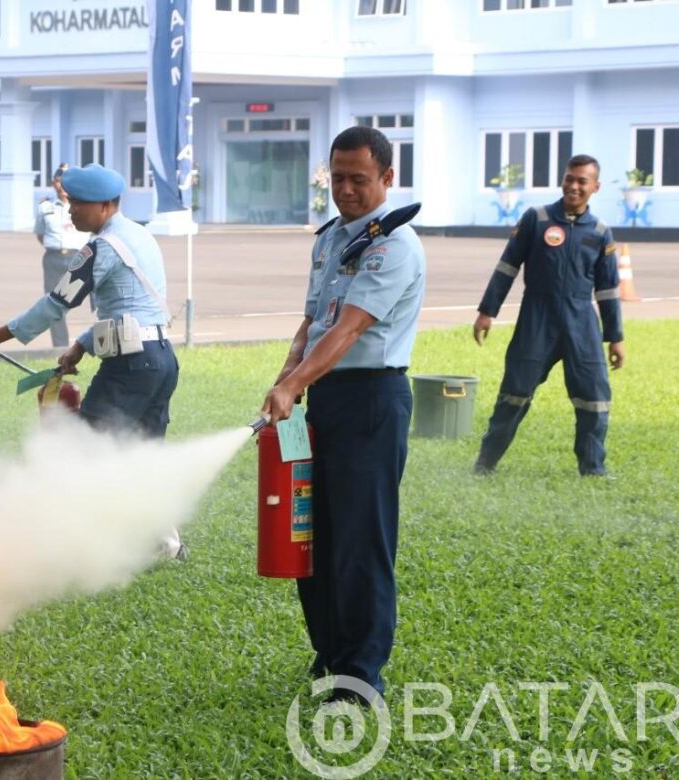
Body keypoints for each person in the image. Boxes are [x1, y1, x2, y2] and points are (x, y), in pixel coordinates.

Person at [261, 126, 426, 702]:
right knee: (312, 535)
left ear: (387, 177)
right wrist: (287, 379)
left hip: (371, 403)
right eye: (337, 179)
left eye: (359, 179)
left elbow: (352, 327)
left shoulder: (394, 247)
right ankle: (330, 655)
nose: (347, 190)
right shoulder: (331, 239)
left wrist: (298, 381)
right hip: (324, 399)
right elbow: (314, 321)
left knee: (361, 541)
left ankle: (361, 675)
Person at [0, 163, 185, 559]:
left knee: (79, 444)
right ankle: (166, 544)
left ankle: (63, 538)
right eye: (69, 203)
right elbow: (133, 306)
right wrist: (81, 345)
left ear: (105, 205)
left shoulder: (100, 248)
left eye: (78, 204)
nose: (71, 213)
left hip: (132, 366)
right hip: (161, 359)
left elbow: (56, 304)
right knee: (143, 452)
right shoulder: (139, 235)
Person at [473, 154, 624, 477]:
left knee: (594, 399)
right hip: (536, 320)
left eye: (582, 181)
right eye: (570, 178)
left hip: (581, 322)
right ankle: (486, 462)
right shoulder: (537, 219)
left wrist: (615, 338)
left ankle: (593, 468)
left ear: (595, 187)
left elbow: (608, 290)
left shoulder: (599, 232)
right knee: (514, 393)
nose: (573, 185)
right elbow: (507, 266)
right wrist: (487, 311)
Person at [34, 163, 90, 347]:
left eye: (64, 182)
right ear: (53, 184)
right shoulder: (45, 206)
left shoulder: (85, 205)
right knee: (53, 305)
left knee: (98, 300)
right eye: (58, 181)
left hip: (79, 259)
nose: (61, 185)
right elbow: (40, 234)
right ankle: (60, 347)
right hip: (53, 258)